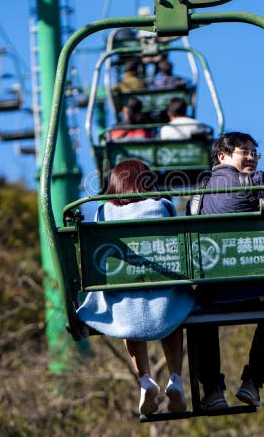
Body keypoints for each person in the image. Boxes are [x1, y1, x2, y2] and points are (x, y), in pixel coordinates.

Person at [76, 159, 195, 415]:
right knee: (171, 303)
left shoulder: (103, 212)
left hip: (125, 306)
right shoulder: (162, 206)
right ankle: (175, 378)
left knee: (127, 302)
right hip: (164, 302)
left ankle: (145, 380)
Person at [192, 132, 264, 410]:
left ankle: (212, 389)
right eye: (243, 152)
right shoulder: (257, 182)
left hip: (214, 295)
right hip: (260, 293)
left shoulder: (200, 190)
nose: (251, 157)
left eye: (253, 153)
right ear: (222, 156)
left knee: (198, 310)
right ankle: (253, 381)